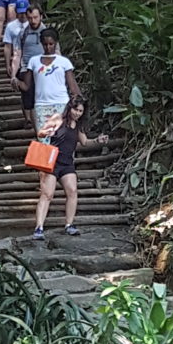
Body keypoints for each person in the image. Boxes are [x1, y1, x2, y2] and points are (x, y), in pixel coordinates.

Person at [32, 95, 108, 239]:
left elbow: (85, 142)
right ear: (69, 108)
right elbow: (40, 132)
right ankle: (39, 227)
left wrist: (98, 140)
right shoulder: (58, 119)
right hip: (52, 161)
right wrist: (47, 132)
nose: (77, 113)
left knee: (72, 191)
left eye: (80, 111)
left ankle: (69, 224)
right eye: (75, 109)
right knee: (47, 194)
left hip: (67, 163)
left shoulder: (78, 126)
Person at [16, 27, 79, 134]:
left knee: (61, 138)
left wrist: (79, 101)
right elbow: (27, 86)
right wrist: (16, 81)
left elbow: (72, 85)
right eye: (45, 44)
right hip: (41, 105)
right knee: (44, 141)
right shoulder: (34, 61)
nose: (48, 47)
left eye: (51, 44)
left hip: (62, 104)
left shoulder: (64, 62)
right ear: (41, 44)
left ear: (56, 43)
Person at [10, 5, 52, 130]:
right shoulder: (22, 33)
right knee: (29, 98)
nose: (33, 21)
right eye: (30, 18)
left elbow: (57, 51)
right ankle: (35, 126)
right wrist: (13, 74)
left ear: (41, 17)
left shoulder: (48, 33)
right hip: (26, 69)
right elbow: (17, 54)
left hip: (45, 69)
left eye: (35, 17)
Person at [3, 0, 30, 77]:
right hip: (17, 57)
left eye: (25, 12)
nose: (23, 15)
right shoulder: (10, 26)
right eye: (20, 12)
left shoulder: (33, 24)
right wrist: (7, 64)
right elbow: (7, 46)